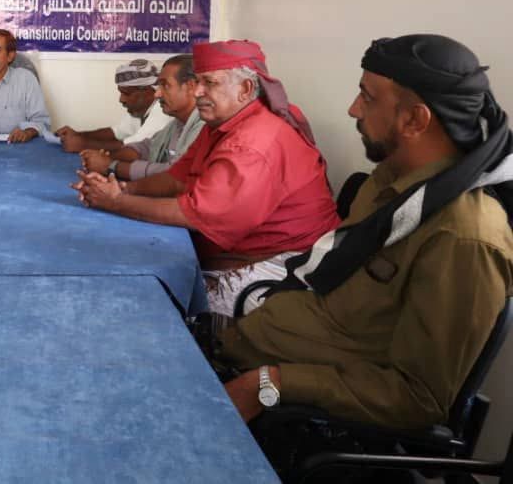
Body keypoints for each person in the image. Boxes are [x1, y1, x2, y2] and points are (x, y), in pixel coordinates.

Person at [216, 34, 513, 439]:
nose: (353, 109)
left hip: (282, 407)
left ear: (415, 120)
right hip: (248, 343)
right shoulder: (389, 182)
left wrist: (268, 385)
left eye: (368, 98)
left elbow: (416, 398)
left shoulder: (464, 237)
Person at [74, 40, 339, 315]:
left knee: (151, 302)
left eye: (209, 83)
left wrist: (115, 202)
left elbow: (195, 214)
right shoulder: (221, 124)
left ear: (245, 89)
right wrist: (124, 190)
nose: (197, 91)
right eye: (197, 81)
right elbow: (177, 179)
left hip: (282, 262)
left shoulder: (252, 143)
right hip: (238, 249)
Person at [80, 55, 204, 180]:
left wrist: (111, 166)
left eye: (165, 85)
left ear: (191, 86)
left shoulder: (203, 125)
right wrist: (108, 158)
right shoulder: (178, 121)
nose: (157, 94)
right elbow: (148, 147)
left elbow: (176, 172)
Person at [56, 58, 166, 153]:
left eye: (127, 94)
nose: (121, 99)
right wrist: (78, 135)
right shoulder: (140, 110)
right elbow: (117, 132)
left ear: (148, 91)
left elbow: (133, 147)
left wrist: (84, 144)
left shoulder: (163, 110)